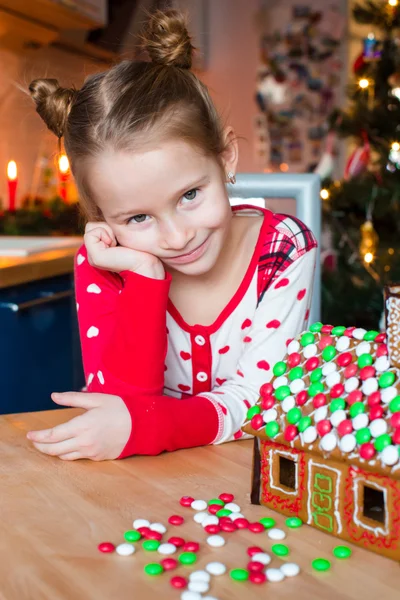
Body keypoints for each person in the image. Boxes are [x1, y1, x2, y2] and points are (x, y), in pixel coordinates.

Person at [26, 10, 317, 461]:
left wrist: (145, 425)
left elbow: (260, 403)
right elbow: (120, 403)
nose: (177, 237)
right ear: (100, 216)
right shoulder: (107, 262)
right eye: (138, 218)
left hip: (246, 474)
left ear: (226, 158)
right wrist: (142, 278)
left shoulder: (283, 251)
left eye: (189, 194)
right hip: (144, 482)